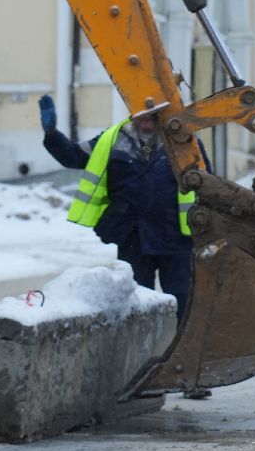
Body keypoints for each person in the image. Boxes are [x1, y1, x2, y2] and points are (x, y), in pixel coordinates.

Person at [39, 94, 195, 321]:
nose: (147, 120)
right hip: (133, 236)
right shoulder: (112, 139)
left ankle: (178, 351)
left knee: (181, 300)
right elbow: (73, 156)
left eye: (153, 115)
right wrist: (52, 134)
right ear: (133, 112)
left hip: (174, 236)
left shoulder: (184, 141)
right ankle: (145, 353)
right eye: (142, 114)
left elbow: (205, 183)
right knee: (137, 303)